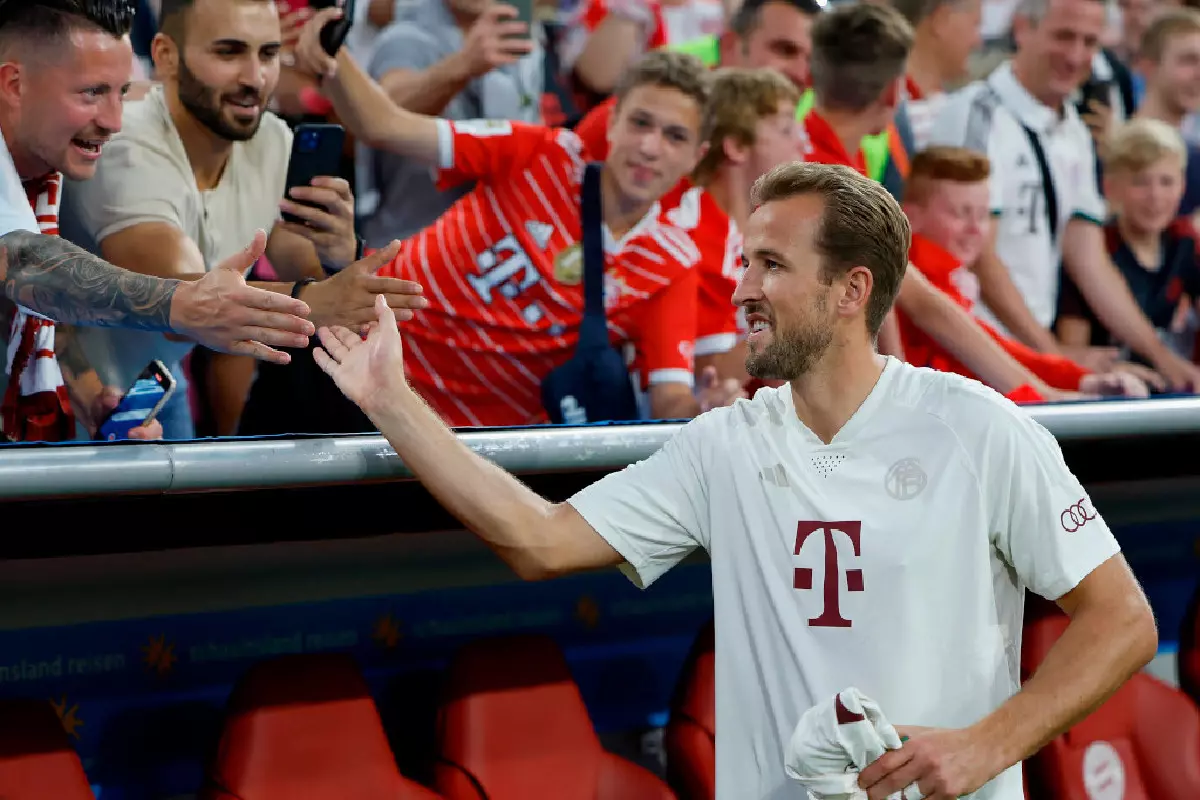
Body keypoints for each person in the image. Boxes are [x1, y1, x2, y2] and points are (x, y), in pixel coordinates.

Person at [313, 161, 1157, 800]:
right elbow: (538, 540)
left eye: (771, 266)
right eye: (744, 261)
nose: (741, 288)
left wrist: (987, 744)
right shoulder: (725, 445)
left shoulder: (976, 426)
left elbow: (1121, 620)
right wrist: (391, 399)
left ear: (849, 291)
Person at [296, 16, 744, 426]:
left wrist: (706, 409)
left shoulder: (671, 266)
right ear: (611, 124)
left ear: (695, 157)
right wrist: (331, 49)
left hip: (444, 437)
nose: (650, 146)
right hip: (347, 357)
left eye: (674, 136)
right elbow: (384, 125)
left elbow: (669, 401)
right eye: (640, 123)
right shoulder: (537, 151)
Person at [58, 0, 426, 439]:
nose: (255, 78)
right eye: (228, 52)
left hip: (155, 383)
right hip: (60, 385)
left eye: (268, 54)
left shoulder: (271, 137)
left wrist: (335, 255)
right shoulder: (124, 141)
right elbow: (176, 296)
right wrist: (319, 297)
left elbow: (288, 251)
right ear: (165, 55)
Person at [0, 0, 316, 441]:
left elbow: (38, 302)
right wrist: (183, 304)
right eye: (91, 92)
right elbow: (22, 263)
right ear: (15, 84)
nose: (113, 121)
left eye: (121, 92)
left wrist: (89, 394)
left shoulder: (50, 149)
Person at [931, 0, 1200, 391]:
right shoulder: (979, 113)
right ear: (1023, 29)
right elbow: (976, 256)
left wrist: (1163, 358)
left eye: (1089, 41)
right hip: (975, 356)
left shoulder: (1072, 127)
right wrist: (1053, 354)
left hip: (1026, 350)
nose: (1075, 55)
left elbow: (1086, 253)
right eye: (1063, 36)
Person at [901, 146, 1154, 396]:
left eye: (982, 215)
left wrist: (1081, 380)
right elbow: (986, 360)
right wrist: (1077, 384)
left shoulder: (948, 277)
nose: (975, 229)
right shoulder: (924, 275)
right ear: (911, 217)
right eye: (960, 213)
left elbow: (996, 353)